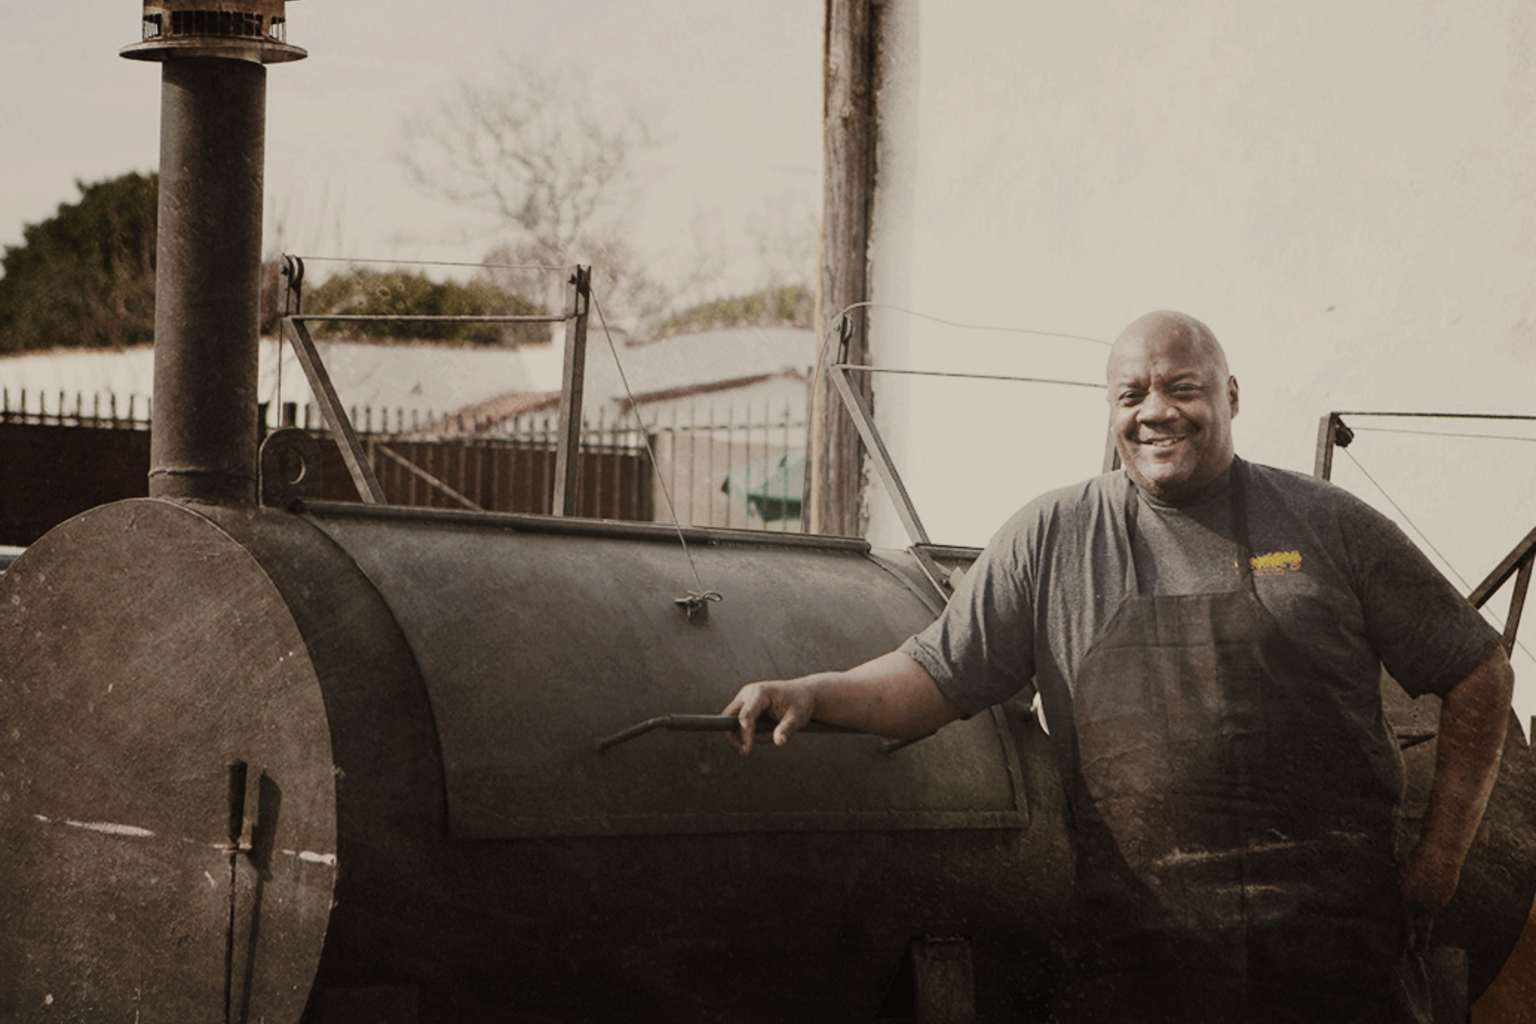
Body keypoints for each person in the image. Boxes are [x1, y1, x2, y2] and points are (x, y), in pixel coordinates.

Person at [723, 310, 1514, 1022]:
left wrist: (1439, 860)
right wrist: (813, 692)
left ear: (1231, 396)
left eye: (1182, 388)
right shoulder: (1051, 539)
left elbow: (1479, 668)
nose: (1155, 411)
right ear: (1112, 411)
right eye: (1131, 395)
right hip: (1141, 967)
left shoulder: (1329, 526)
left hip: (1338, 970)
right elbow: (933, 677)